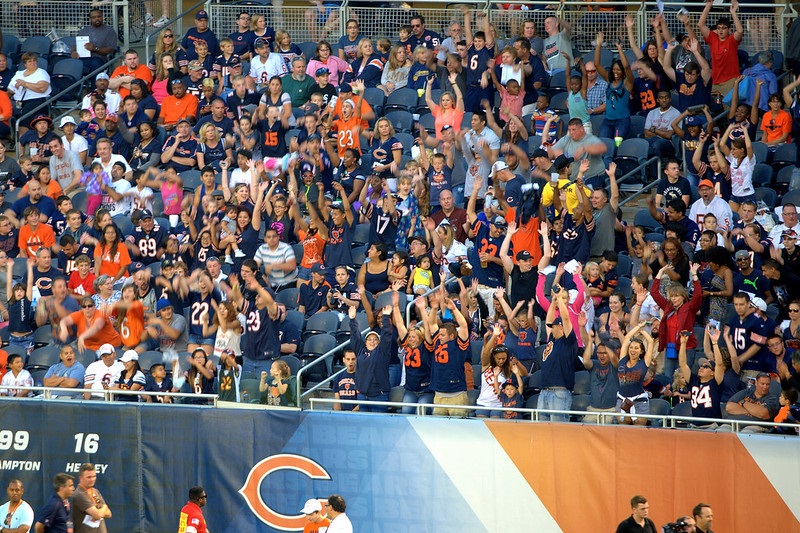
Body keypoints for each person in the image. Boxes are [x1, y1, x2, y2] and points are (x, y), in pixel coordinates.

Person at [72, 463, 111, 533]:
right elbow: (98, 515)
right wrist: (105, 507)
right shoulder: (79, 494)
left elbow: (109, 514)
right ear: (80, 478)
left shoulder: (95, 491)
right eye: (89, 477)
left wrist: (101, 511)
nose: (92, 479)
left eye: (94, 476)